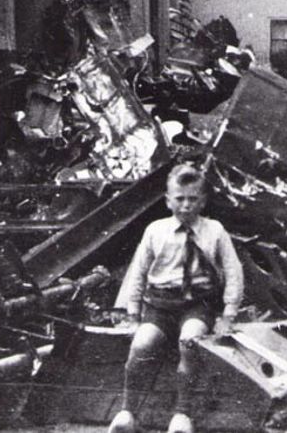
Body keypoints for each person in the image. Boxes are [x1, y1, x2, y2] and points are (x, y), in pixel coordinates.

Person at [109, 163, 244, 433]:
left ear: (203, 201)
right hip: (159, 305)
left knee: (190, 341)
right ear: (168, 200)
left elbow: (233, 270)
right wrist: (132, 313)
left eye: (193, 199)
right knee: (142, 344)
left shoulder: (214, 231)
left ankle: (182, 415)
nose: (186, 206)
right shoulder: (155, 230)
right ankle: (127, 412)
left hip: (198, 305)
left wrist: (228, 313)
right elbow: (138, 271)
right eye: (179, 199)